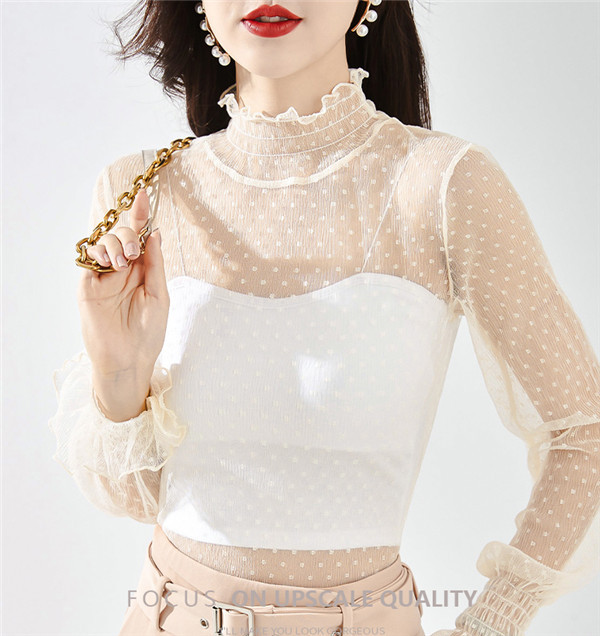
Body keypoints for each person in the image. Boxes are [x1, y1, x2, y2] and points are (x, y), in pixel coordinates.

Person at [48, 1, 600, 635]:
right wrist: (120, 374)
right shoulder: (142, 193)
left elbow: (584, 432)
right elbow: (132, 497)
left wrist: (494, 620)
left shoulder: (444, 184)